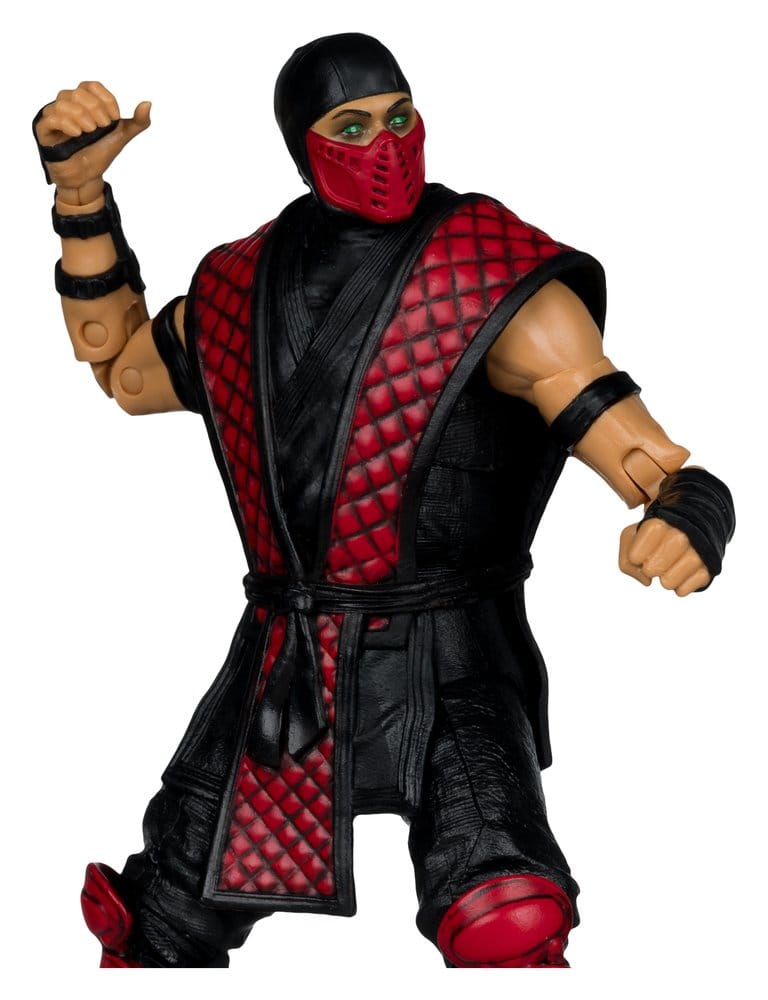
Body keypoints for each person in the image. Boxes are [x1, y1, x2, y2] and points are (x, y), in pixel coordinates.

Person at [34, 33, 734, 969]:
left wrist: (687, 515)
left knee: (506, 918)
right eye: (354, 127)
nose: (387, 145)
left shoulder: (487, 273)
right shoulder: (238, 285)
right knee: (164, 921)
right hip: (287, 662)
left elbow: (643, 451)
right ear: (304, 144)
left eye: (400, 117)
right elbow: (125, 370)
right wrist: (80, 199)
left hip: (454, 657)